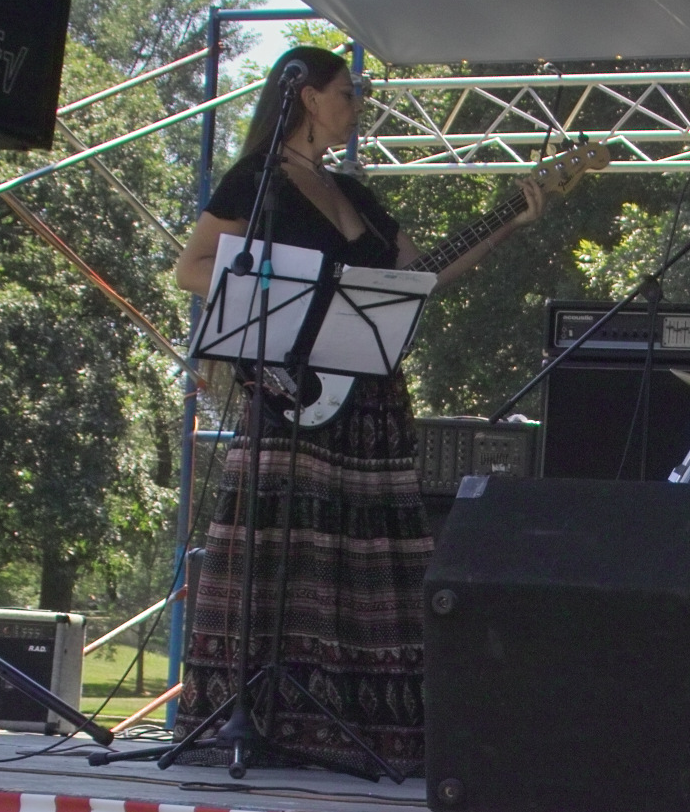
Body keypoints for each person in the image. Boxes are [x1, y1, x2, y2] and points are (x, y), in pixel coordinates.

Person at [172, 46, 548, 773]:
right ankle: (262, 718)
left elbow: (419, 277)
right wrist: (296, 299)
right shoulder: (257, 182)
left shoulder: (357, 193)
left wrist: (508, 223)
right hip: (290, 394)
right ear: (308, 98)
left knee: (368, 560)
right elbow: (194, 267)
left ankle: (364, 725)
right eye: (348, 92)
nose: (358, 105)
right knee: (284, 556)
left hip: (371, 401)